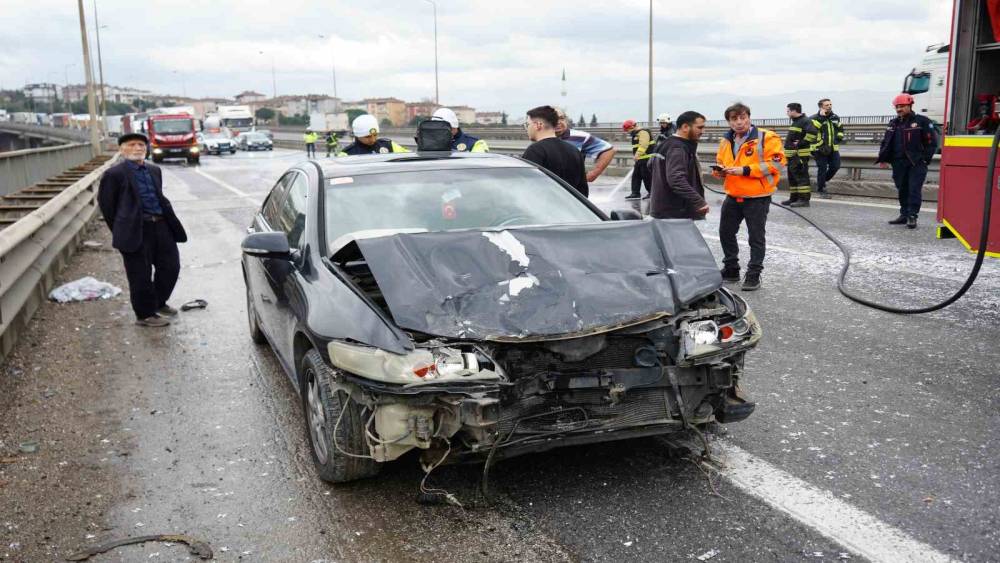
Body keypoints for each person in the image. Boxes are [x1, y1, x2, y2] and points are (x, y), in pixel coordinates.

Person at [97, 133, 187, 327]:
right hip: (136, 229)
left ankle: (158, 303)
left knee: (171, 267)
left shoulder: (154, 170)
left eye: (141, 145)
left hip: (161, 225)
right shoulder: (114, 174)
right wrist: (122, 229)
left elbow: (158, 196)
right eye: (132, 145)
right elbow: (107, 206)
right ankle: (145, 314)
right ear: (122, 149)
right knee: (140, 274)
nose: (138, 148)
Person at [714, 102, 785, 291]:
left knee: (756, 237)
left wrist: (745, 170)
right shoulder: (725, 141)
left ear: (749, 117)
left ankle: (754, 273)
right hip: (733, 194)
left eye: (742, 117)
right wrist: (720, 172)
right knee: (726, 232)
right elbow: (721, 162)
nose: (739, 122)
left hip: (757, 196)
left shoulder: (766, 137)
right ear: (729, 122)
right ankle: (731, 269)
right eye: (734, 119)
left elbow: (777, 164)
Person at [876, 93, 938, 229]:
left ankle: (912, 216)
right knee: (902, 189)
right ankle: (904, 214)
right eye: (897, 107)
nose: (899, 109)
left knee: (914, 189)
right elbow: (886, 142)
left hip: (916, 162)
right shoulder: (893, 123)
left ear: (910, 105)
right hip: (898, 163)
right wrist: (883, 158)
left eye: (902, 106)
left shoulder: (922, 121)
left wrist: (925, 160)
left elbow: (932, 142)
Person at [649, 111, 710, 220]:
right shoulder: (678, 148)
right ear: (685, 127)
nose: (703, 131)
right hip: (675, 213)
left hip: (664, 210)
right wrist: (698, 201)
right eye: (700, 128)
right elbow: (676, 179)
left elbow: (650, 165)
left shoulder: (666, 143)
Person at [521, 105, 589, 197]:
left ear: (538, 125)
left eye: (527, 125)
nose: (527, 129)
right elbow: (583, 191)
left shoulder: (535, 151)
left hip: (545, 208)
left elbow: (528, 188)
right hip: (571, 209)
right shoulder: (574, 150)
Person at [554, 108, 615, 182]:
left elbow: (609, 150)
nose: (558, 122)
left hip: (572, 189)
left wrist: (593, 174)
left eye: (561, 118)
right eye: (553, 119)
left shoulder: (580, 137)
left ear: (566, 120)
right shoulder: (538, 138)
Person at [781, 103, 819, 207]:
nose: (787, 113)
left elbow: (813, 134)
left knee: (801, 177)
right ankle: (794, 198)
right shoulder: (796, 122)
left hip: (799, 156)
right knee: (792, 178)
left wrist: (800, 143)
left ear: (794, 111)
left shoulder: (805, 121)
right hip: (792, 156)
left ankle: (804, 200)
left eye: (788, 111)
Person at [809, 98, 844, 199]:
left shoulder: (835, 117)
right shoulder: (814, 118)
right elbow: (813, 130)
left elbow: (840, 129)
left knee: (835, 166)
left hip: (833, 147)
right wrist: (822, 117)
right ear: (821, 107)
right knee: (822, 168)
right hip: (819, 148)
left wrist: (838, 138)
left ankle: (822, 182)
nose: (829, 106)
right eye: (827, 105)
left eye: (830, 104)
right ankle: (822, 189)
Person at [337, 115, 410, 156]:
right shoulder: (347, 154)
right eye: (367, 137)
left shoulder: (389, 145)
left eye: (375, 135)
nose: (373, 139)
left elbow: (408, 156)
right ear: (357, 135)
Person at [623, 119, 654, 200]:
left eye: (628, 130)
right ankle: (635, 193)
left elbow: (643, 144)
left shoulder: (643, 132)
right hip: (640, 159)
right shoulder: (636, 134)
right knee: (636, 176)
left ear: (632, 127)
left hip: (647, 158)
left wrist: (637, 154)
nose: (628, 132)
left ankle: (652, 193)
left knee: (647, 176)